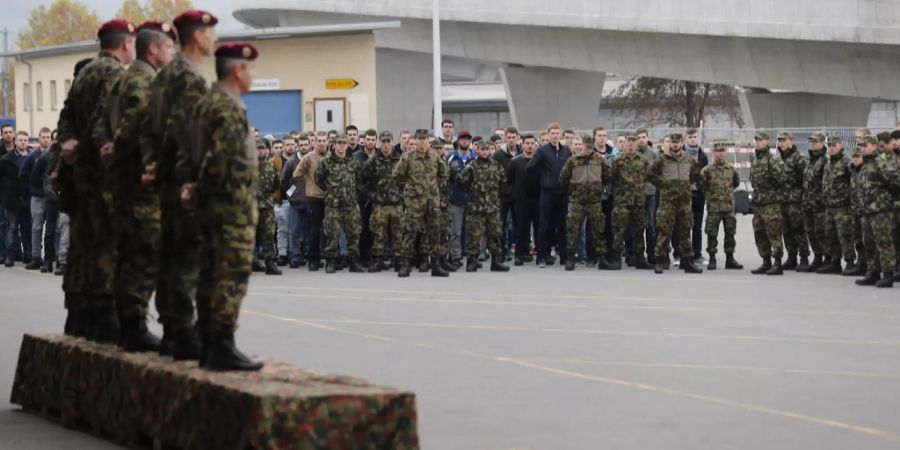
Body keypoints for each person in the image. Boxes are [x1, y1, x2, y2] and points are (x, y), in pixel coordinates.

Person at [139, 10, 217, 358]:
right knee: (187, 258)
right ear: (197, 36)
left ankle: (172, 329)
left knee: (170, 256)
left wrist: (152, 164)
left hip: (165, 181)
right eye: (210, 32)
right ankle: (184, 332)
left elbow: (147, 129)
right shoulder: (190, 78)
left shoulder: (163, 77)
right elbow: (190, 136)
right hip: (183, 181)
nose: (214, 38)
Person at [95, 20, 177, 351]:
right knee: (144, 255)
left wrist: (106, 148)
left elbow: (100, 122)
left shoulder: (121, 77)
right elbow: (138, 128)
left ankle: (128, 322)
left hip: (121, 182)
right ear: (154, 50)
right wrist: (121, 152)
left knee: (127, 253)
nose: (172, 53)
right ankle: (134, 326)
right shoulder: (146, 80)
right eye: (169, 47)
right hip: (140, 183)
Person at [56, 19, 136, 341]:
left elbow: (66, 115)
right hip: (105, 176)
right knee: (107, 246)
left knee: (84, 247)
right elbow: (106, 123)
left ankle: (79, 315)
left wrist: (67, 143)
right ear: (126, 43)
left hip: (82, 176)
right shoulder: (116, 74)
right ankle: (104, 318)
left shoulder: (86, 72)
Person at [188, 41, 263, 371]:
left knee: (210, 272)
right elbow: (220, 163)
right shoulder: (228, 108)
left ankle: (209, 342)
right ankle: (221, 344)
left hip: (213, 207)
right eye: (251, 69)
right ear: (238, 70)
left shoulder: (209, 102)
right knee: (229, 275)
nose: (253, 75)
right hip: (230, 210)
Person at [392, 130, 449, 277]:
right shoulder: (408, 157)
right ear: (415, 141)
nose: (422, 142)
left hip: (432, 202)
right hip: (414, 203)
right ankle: (405, 264)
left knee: (434, 232)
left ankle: (436, 264)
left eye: (425, 139)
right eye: (420, 139)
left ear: (428, 142)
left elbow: (444, 174)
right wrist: (409, 190)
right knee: (409, 232)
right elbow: (397, 176)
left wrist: (433, 188)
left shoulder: (434, 158)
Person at [649, 133, 703, 274]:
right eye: (672, 142)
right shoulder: (662, 159)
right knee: (664, 231)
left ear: (682, 142)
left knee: (685, 231)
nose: (674, 145)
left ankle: (688, 261)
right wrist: (663, 184)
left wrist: (685, 184)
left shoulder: (689, 159)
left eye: (677, 142)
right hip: (667, 201)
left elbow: (696, 174)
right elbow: (650, 174)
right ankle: (660, 260)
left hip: (684, 201)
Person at [559, 136, 611, 271]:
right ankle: (570, 258)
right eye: (586, 147)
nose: (589, 150)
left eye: (590, 147)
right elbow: (563, 179)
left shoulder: (600, 160)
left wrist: (597, 188)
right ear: (581, 146)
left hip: (594, 201)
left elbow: (607, 177)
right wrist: (573, 190)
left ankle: (602, 258)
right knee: (573, 230)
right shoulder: (572, 161)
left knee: (598, 230)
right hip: (577, 201)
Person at [853, 135, 899, 287]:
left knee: (884, 242)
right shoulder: (865, 165)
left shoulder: (881, 163)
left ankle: (887, 273)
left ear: (873, 145)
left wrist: (886, 200)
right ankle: (873, 272)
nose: (861, 147)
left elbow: (895, 182)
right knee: (869, 243)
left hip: (880, 210)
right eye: (860, 145)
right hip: (866, 210)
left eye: (864, 145)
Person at [315, 134, 364, 273]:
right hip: (333, 204)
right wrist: (331, 190)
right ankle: (331, 261)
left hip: (350, 203)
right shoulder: (326, 162)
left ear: (347, 145)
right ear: (334, 145)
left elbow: (358, 179)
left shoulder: (353, 161)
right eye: (339, 143)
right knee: (332, 233)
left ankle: (353, 261)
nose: (342, 145)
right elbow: (318, 178)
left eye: (344, 143)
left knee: (354, 232)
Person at [460, 140, 509, 272]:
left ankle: (496, 262)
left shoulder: (496, 166)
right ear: (478, 151)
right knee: (474, 236)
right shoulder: (471, 166)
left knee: (495, 235)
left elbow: (503, 182)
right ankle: (472, 262)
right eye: (482, 150)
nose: (485, 152)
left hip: (493, 207)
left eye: (487, 150)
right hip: (476, 207)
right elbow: (462, 182)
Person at [527, 122, 571, 267]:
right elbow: (531, 167)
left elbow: (570, 169)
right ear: (548, 134)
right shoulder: (542, 151)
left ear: (560, 134)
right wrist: (544, 178)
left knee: (562, 226)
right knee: (544, 226)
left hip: (562, 193)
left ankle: (564, 257)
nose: (554, 135)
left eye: (557, 133)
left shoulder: (566, 151)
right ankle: (542, 256)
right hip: (547, 194)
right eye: (552, 133)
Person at [610, 133, 652, 270]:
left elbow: (647, 178)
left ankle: (640, 258)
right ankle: (616, 258)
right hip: (622, 201)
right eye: (629, 141)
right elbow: (613, 179)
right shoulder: (618, 160)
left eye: (634, 141)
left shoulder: (643, 160)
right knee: (619, 230)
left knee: (639, 230)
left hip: (638, 201)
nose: (631, 144)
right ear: (625, 142)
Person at [699, 141, 743, 270]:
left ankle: (730, 258)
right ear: (713, 152)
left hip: (728, 207)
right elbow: (702, 185)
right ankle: (712, 258)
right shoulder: (706, 170)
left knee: (730, 233)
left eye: (722, 151)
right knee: (712, 234)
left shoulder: (731, 169)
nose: (720, 154)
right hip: (714, 207)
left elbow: (735, 183)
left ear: (725, 152)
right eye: (717, 151)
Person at [362, 131, 402, 272]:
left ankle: (397, 260)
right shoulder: (373, 160)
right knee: (378, 232)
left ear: (392, 142)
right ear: (380, 143)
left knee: (397, 232)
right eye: (383, 142)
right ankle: (377, 259)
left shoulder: (400, 159)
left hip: (396, 202)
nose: (385, 145)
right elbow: (362, 178)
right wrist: (371, 194)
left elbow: (407, 178)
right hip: (380, 203)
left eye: (388, 141)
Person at [818, 137, 858, 275]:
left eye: (834, 145)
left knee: (845, 235)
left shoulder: (846, 162)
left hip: (843, 206)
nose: (832, 148)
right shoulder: (829, 163)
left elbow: (853, 181)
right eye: (830, 145)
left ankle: (850, 262)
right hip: (829, 206)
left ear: (841, 145)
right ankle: (835, 262)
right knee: (831, 235)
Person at [748, 131, 786, 275]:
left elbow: (780, 179)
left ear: (767, 141)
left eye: (760, 140)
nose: (757, 142)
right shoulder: (755, 159)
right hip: (758, 203)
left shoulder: (773, 159)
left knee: (774, 233)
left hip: (771, 204)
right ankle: (766, 261)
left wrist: (771, 193)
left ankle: (777, 263)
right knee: (759, 233)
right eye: (756, 140)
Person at [293, 132, 328, 271]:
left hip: (329, 198)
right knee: (314, 230)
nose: (321, 143)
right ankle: (313, 259)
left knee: (330, 229)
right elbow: (296, 174)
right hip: (314, 198)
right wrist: (309, 182)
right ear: (314, 143)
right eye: (319, 140)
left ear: (327, 142)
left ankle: (330, 257)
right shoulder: (308, 158)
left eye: (324, 140)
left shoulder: (331, 157)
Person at [775, 132, 810, 270]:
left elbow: (805, 179)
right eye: (780, 141)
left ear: (791, 141)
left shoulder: (798, 158)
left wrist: (800, 195)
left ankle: (804, 257)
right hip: (783, 200)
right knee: (786, 230)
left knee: (799, 229)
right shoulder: (780, 159)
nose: (782, 143)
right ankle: (791, 257)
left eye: (784, 140)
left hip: (795, 201)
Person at [507, 135, 541, 266]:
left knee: (539, 228)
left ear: (536, 145)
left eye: (532, 143)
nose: (530, 146)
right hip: (521, 201)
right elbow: (509, 180)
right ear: (523, 145)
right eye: (527, 143)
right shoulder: (515, 162)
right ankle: (520, 255)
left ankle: (540, 255)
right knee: (521, 229)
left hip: (538, 200)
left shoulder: (539, 161)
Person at [0, 131, 33, 266]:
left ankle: (28, 254)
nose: (23, 142)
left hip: (28, 198)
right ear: (15, 141)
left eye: (25, 140)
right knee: (11, 228)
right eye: (20, 140)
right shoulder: (6, 159)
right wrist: (3, 197)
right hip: (11, 199)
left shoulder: (33, 158)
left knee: (27, 228)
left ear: (28, 142)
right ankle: (10, 255)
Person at [22, 128, 51, 270]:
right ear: (39, 139)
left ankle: (53, 256)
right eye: (43, 137)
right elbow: (24, 175)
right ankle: (35, 257)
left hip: (52, 197)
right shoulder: (32, 156)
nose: (46, 139)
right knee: (37, 227)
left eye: (48, 137)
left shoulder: (54, 155)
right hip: (38, 197)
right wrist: (34, 190)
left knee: (54, 228)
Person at [799, 133, 828, 272]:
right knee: (810, 232)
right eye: (811, 142)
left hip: (819, 203)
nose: (812, 144)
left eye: (815, 142)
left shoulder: (825, 160)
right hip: (808, 202)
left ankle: (827, 259)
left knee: (821, 232)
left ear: (823, 143)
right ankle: (817, 257)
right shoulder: (810, 160)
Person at [252, 141, 282, 275]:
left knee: (268, 235)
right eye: (258, 149)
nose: (261, 152)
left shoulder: (271, 168)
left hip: (266, 207)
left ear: (267, 151)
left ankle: (270, 263)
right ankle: (251, 262)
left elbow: (277, 185)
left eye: (263, 149)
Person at [447, 129, 475, 267]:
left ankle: (471, 258)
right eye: (463, 139)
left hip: (472, 201)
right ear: (458, 141)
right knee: (456, 231)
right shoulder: (451, 158)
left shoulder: (475, 158)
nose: (465, 141)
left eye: (467, 139)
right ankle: (456, 257)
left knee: (471, 231)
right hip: (455, 200)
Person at [492, 127, 520, 261]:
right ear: (505, 139)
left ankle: (519, 252)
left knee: (519, 224)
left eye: (514, 137)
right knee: (501, 226)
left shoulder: (522, 152)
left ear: (517, 138)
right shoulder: (497, 155)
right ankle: (502, 251)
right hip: (502, 196)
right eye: (509, 137)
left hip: (519, 196)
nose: (511, 140)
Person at [280, 136, 307, 268]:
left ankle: (307, 255)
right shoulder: (291, 162)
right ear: (298, 146)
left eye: (305, 144)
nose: (303, 147)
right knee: (294, 230)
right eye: (301, 144)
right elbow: (284, 181)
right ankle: (295, 256)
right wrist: (291, 193)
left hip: (311, 201)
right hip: (296, 202)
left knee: (309, 231)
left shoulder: (313, 159)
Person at [353, 129, 378, 265]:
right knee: (362, 229)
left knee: (376, 229)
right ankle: (363, 257)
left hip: (378, 200)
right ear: (364, 140)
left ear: (376, 140)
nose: (370, 142)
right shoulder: (357, 157)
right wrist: (367, 193)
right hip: (362, 199)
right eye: (368, 139)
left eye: (373, 139)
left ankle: (375, 257)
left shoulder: (380, 155)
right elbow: (356, 179)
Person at [636, 128, 659, 264]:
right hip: (637, 194)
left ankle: (651, 253)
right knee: (638, 225)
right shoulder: (633, 154)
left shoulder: (653, 154)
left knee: (651, 225)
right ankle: (638, 254)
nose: (641, 140)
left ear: (647, 138)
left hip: (650, 194)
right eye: (639, 137)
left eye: (643, 137)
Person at [269, 139, 290, 266]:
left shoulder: (298, 160)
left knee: (294, 230)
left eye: (280, 146)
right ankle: (282, 253)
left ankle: (293, 252)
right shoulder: (273, 162)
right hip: (280, 200)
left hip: (294, 200)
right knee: (282, 229)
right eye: (276, 147)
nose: (279, 149)